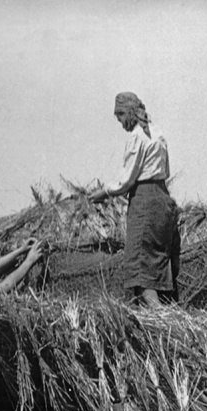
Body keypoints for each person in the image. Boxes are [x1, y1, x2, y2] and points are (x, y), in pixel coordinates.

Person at [88, 92, 180, 307]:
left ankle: (164, 320)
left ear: (129, 112)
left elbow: (125, 181)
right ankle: (162, 315)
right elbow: (165, 169)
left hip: (145, 202)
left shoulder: (137, 137)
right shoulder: (159, 134)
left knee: (141, 268)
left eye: (120, 115)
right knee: (155, 260)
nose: (119, 121)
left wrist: (104, 192)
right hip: (163, 200)